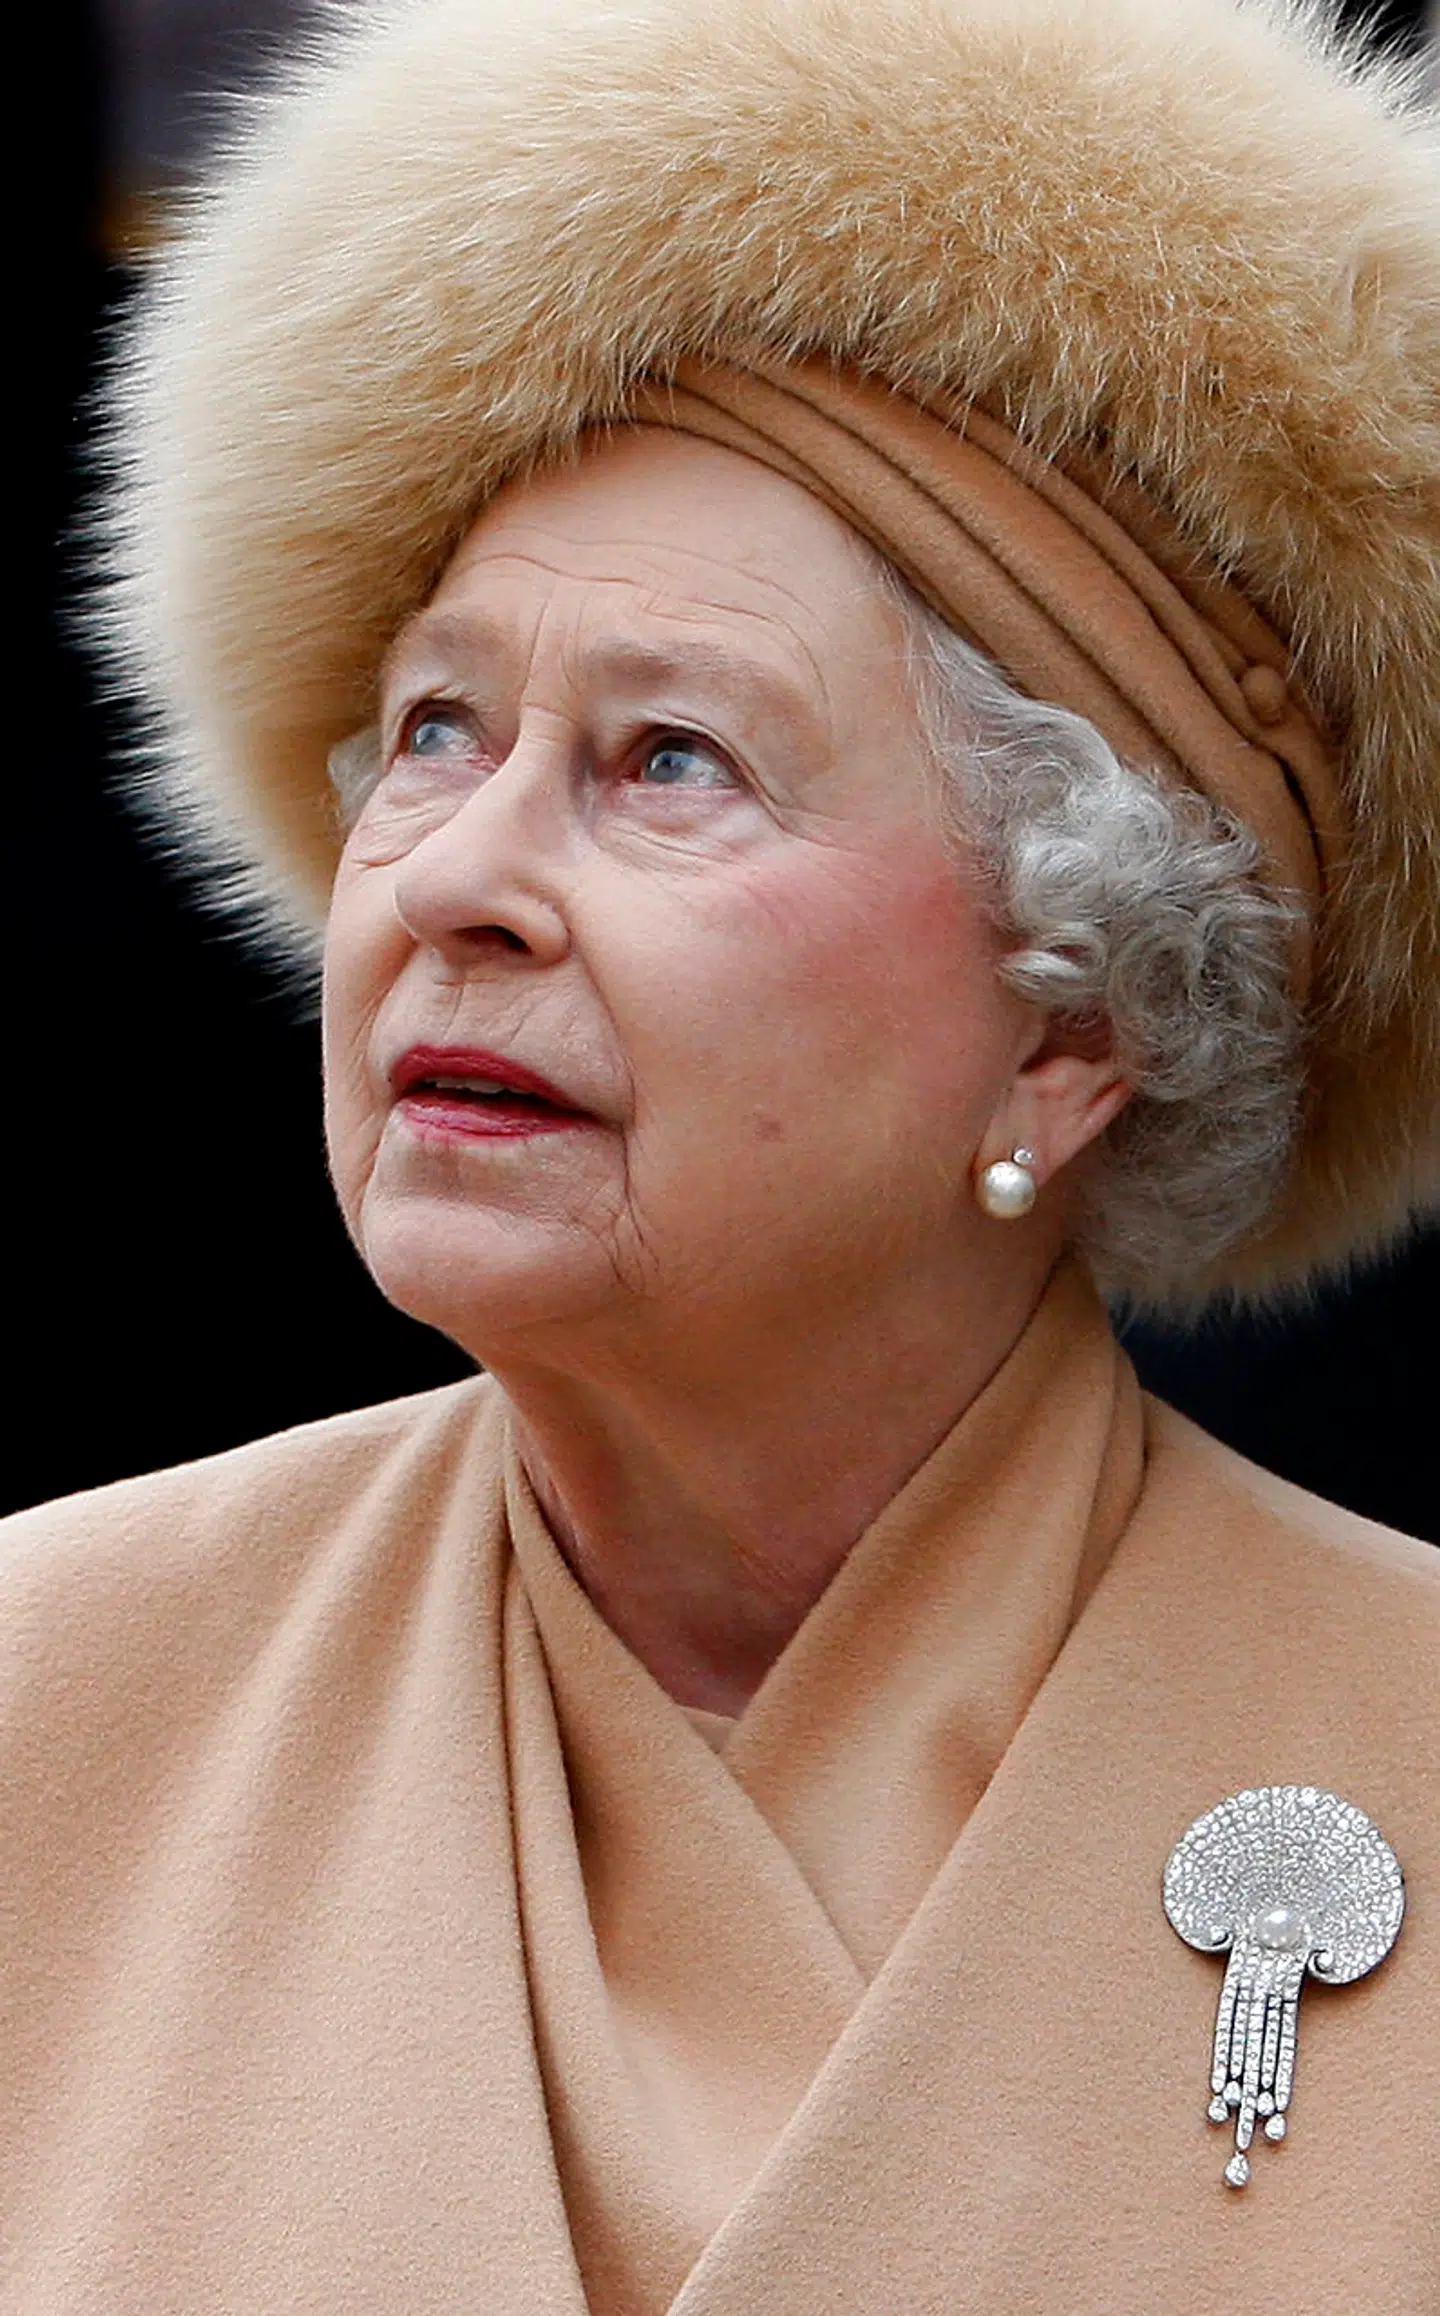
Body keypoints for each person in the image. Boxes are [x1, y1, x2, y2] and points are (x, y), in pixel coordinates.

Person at [4, 0, 1438, 2308]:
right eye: (434, 728)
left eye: (670, 758)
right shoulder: (50, 1692)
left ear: (1078, 1026)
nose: (456, 874)